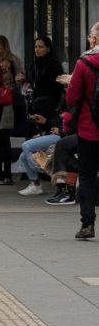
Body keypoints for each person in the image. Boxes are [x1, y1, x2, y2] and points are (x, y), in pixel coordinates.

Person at [65, 21, 99, 240]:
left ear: (94, 39)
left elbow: (72, 97)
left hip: (90, 129)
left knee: (87, 175)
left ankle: (87, 224)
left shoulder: (84, 62)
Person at [0, 34, 23, 185]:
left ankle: (6, 173)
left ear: (5, 46)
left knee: (3, 137)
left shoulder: (12, 60)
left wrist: (15, 85)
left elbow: (20, 79)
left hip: (7, 101)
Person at [19, 35, 64, 119]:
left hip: (49, 106)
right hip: (35, 104)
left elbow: (57, 87)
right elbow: (32, 81)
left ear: (48, 49)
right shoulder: (35, 64)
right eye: (35, 47)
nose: (37, 49)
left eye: (40, 47)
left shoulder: (54, 65)